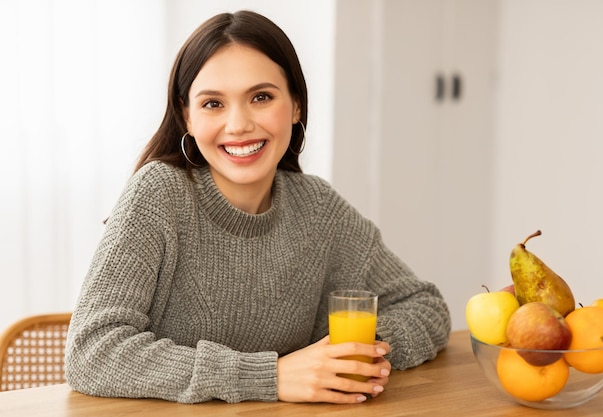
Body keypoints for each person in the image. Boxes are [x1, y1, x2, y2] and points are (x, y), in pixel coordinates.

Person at [64, 10, 451, 405]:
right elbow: (92, 351)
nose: (238, 125)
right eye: (213, 104)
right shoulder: (159, 194)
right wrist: (271, 376)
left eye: (261, 97)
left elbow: (424, 307)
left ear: (296, 105)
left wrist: (350, 356)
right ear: (187, 118)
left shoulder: (318, 209)